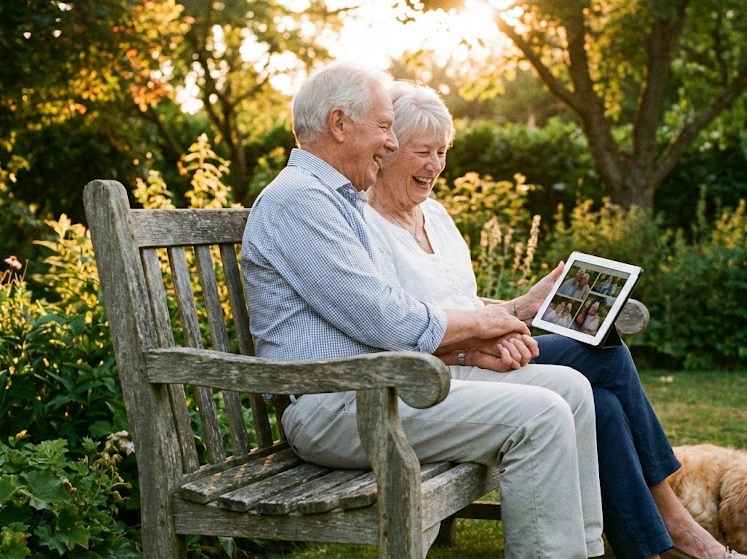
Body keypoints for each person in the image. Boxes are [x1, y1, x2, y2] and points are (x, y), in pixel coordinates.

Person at [364, 79, 747, 559]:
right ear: (390, 147)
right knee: (604, 354)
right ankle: (677, 525)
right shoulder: (365, 226)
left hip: (483, 356)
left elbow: (461, 301)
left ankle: (652, 548)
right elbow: (395, 326)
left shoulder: (435, 215)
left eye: (443, 151)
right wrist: (486, 337)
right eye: (424, 151)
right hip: (441, 372)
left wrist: (522, 307)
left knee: (603, 403)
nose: (436, 165)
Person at [241, 63, 604, 558]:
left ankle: (580, 551)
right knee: (538, 417)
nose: (391, 143)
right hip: (338, 407)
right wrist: (491, 321)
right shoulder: (299, 202)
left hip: (380, 389)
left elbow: (387, 317)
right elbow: (386, 320)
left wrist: (471, 350)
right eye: (385, 126)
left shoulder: (334, 199)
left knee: (571, 388)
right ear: (340, 124)